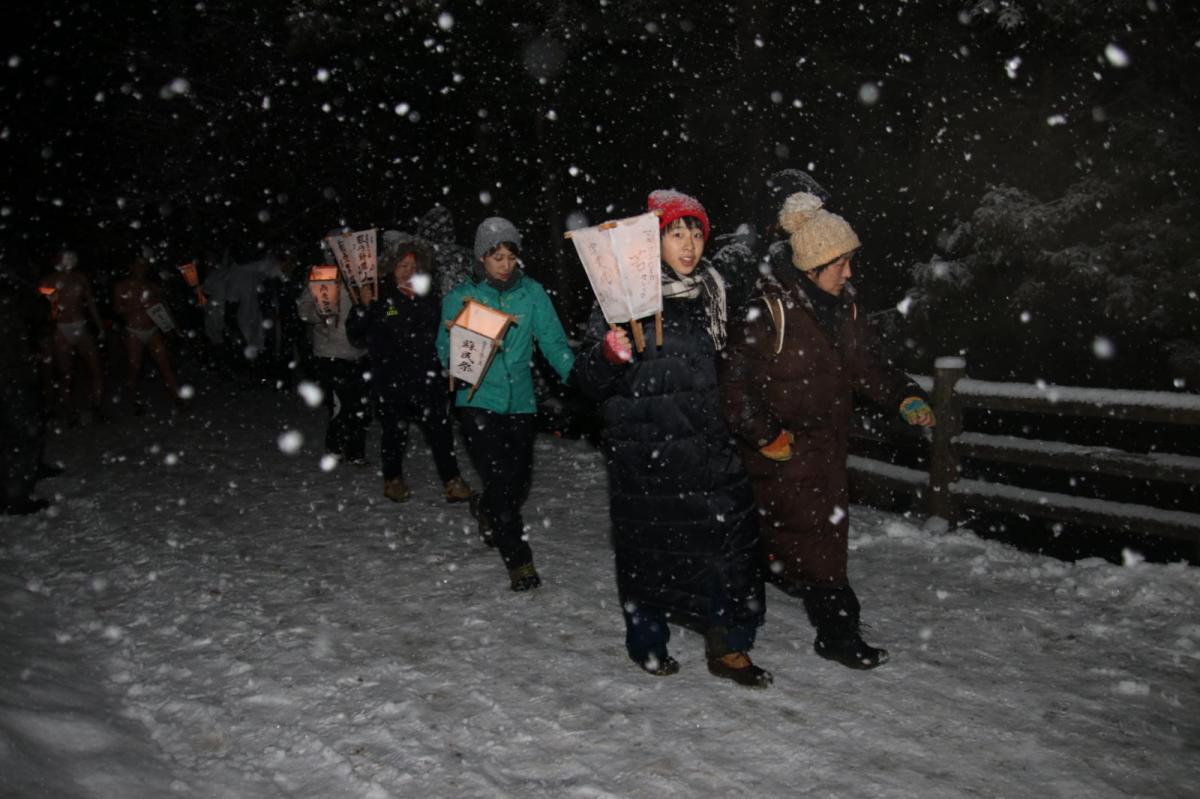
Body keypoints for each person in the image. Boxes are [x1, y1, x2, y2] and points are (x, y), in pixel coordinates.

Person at [719, 192, 936, 670]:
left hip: (825, 454)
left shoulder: (845, 308)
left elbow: (868, 367)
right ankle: (831, 633)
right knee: (803, 545)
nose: (849, 272)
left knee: (810, 543)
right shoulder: (768, 313)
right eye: (841, 263)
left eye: (850, 261)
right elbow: (734, 386)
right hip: (778, 455)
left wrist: (905, 396)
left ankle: (816, 625)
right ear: (813, 265)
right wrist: (767, 436)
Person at [573, 190, 772, 688]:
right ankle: (647, 641)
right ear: (652, 241)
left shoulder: (712, 295)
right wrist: (607, 355)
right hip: (647, 452)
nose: (689, 245)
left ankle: (729, 644)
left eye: (696, 233)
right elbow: (584, 383)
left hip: (709, 448)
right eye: (676, 233)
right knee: (649, 553)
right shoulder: (621, 297)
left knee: (730, 548)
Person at [435, 217, 575, 591]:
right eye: (497, 257)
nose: (505, 264)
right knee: (499, 479)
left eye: (511, 256)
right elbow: (445, 350)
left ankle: (486, 507)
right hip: (477, 401)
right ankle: (519, 562)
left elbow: (553, 342)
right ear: (482, 257)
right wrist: (463, 351)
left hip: (521, 403)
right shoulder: (461, 298)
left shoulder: (531, 294)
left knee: (517, 482)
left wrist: (577, 377)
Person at [347, 232, 472, 504]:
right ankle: (393, 480)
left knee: (440, 432)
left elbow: (444, 332)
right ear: (392, 268)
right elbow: (355, 332)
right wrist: (363, 307)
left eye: (414, 266)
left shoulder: (430, 297)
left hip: (428, 378)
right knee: (394, 432)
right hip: (391, 380)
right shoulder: (379, 296)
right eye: (403, 265)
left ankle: (452, 481)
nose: (409, 271)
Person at [297, 266, 371, 466]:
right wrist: (321, 311)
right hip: (331, 354)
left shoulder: (363, 275)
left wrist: (378, 308)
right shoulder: (323, 275)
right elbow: (303, 311)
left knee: (361, 405)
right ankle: (335, 448)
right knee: (343, 404)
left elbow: (386, 309)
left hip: (361, 353)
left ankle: (356, 451)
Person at [1, 260, 54, 514]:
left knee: (23, 427)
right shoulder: (11, 293)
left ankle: (30, 471)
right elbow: (41, 310)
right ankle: (16, 496)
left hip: (15, 370)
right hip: (11, 374)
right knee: (20, 433)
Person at [38, 250, 106, 421]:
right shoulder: (48, 280)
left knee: (96, 370)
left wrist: (100, 327)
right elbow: (46, 307)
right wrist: (49, 296)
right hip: (61, 329)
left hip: (81, 326)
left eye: (71, 258)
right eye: (64, 258)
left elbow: (90, 303)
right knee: (66, 374)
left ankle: (97, 407)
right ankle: (70, 412)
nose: (68, 261)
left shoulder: (81, 278)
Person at [112, 254, 183, 414]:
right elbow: (117, 309)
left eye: (144, 266)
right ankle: (134, 400)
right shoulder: (121, 286)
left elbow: (162, 308)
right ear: (131, 267)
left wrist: (173, 328)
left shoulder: (152, 287)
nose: (141, 269)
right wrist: (139, 306)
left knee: (165, 364)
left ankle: (178, 398)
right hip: (133, 331)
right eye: (138, 265)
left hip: (152, 330)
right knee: (134, 367)